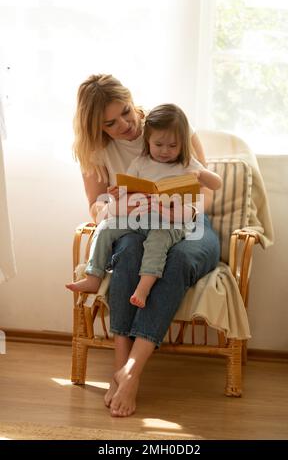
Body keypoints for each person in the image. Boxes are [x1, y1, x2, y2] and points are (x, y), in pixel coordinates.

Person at [70, 74, 220, 417]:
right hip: (137, 226)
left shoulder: (167, 124)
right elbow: (95, 207)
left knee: (178, 259)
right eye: (111, 123)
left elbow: (205, 187)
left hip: (190, 225)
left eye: (125, 112)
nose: (125, 125)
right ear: (97, 126)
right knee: (128, 253)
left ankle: (132, 372)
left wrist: (185, 210)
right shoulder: (96, 151)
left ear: (131, 99)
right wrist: (118, 206)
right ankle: (120, 370)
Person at [66, 104, 222, 309]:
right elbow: (128, 189)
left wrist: (202, 175)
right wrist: (117, 193)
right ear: (147, 142)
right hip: (140, 218)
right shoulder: (141, 162)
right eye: (159, 145)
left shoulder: (187, 164)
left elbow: (216, 184)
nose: (165, 151)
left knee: (156, 244)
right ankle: (93, 275)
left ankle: (143, 287)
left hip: (168, 222)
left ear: (182, 144)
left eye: (173, 146)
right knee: (105, 228)